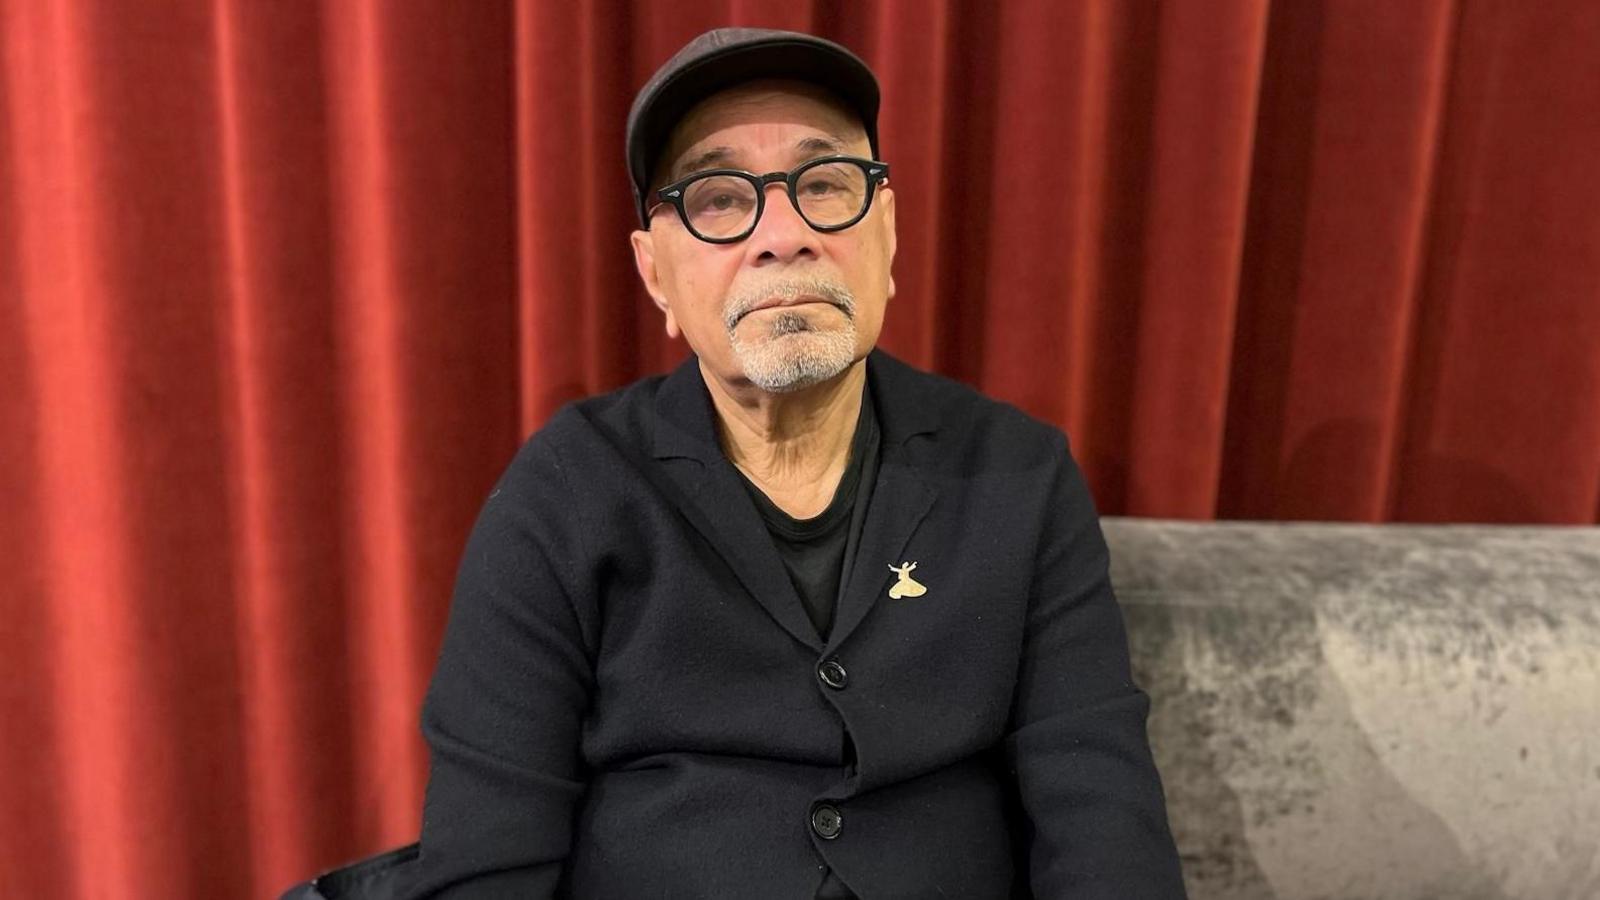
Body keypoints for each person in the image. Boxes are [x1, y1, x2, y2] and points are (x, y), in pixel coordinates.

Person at [407, 26, 1186, 899]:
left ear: (887, 235)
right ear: (655, 274)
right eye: (718, 198)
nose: (784, 235)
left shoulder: (1018, 473)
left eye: (824, 185)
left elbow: (1103, 817)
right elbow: (485, 860)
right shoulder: (564, 492)